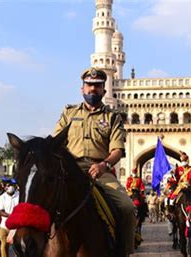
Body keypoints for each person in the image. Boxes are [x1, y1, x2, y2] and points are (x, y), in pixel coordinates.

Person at [54, 67, 135, 256]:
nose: (93, 89)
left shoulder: (112, 117)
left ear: (104, 91)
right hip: (70, 170)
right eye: (89, 85)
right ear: (82, 89)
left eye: (97, 86)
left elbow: (117, 150)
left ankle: (124, 250)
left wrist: (103, 165)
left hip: (100, 171)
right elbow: (56, 142)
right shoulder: (69, 113)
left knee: (127, 207)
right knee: (42, 198)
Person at [0, 182, 19, 257]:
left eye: (11, 185)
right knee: (4, 245)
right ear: (5, 188)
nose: (9, 187)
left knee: (17, 246)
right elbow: (0, 211)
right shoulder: (2, 197)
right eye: (8, 186)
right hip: (4, 225)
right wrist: (10, 215)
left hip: (16, 226)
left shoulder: (19, 195)